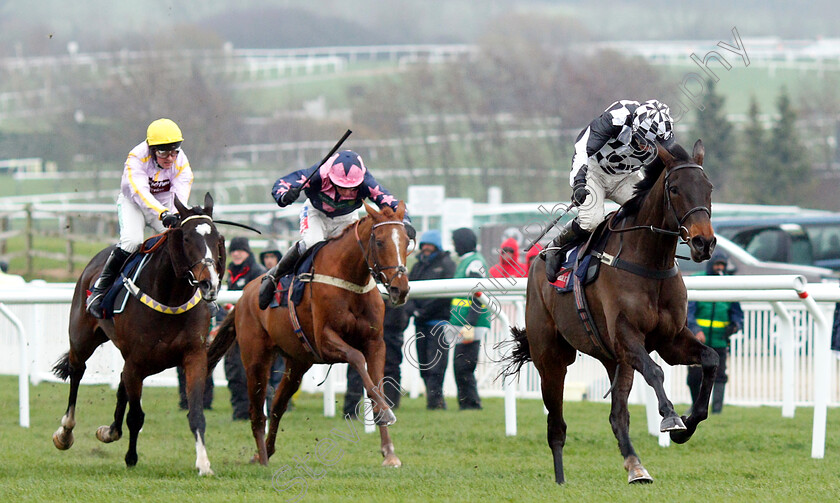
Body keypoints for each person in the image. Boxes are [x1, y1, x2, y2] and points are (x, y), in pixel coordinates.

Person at [258, 150, 414, 310]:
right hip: (316, 214)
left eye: (351, 187)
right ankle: (274, 275)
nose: (346, 191)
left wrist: (406, 223)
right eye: (341, 186)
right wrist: (284, 196)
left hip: (346, 218)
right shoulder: (319, 173)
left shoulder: (366, 181)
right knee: (313, 243)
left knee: (356, 252)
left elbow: (390, 201)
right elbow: (283, 183)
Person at [544, 100, 676, 282]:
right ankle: (557, 246)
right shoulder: (617, 118)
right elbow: (582, 148)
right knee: (592, 222)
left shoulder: (664, 136)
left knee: (651, 212)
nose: (648, 148)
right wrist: (579, 183)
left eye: (653, 144)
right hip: (594, 171)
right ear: (635, 128)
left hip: (625, 176)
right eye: (644, 142)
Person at [86, 118, 193, 318]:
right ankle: (100, 289)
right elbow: (140, 192)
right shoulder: (136, 157)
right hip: (133, 203)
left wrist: (176, 214)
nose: (170, 158)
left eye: (174, 151)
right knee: (132, 241)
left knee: (180, 240)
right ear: (151, 149)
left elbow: (180, 191)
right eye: (163, 152)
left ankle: (199, 294)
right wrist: (163, 214)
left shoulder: (180, 160)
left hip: (164, 205)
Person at [686, 250, 744, 414]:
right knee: (695, 376)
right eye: (717, 265)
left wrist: (734, 326)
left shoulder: (729, 283)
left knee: (719, 375)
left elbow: (737, 314)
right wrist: (695, 329)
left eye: (722, 265)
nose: (719, 268)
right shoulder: (697, 280)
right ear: (710, 265)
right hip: (698, 341)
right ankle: (697, 406)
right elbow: (688, 311)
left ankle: (717, 410)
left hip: (720, 340)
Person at [405, 229, 456, 409]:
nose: (426, 248)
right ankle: (433, 402)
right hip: (420, 323)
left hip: (439, 324)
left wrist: (422, 311)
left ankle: (436, 402)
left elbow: (445, 295)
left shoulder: (447, 264)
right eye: (424, 244)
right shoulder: (417, 266)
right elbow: (407, 290)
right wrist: (413, 310)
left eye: (430, 244)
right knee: (424, 366)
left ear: (437, 246)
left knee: (437, 367)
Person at [223, 237, 266, 419]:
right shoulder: (232, 272)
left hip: (254, 331)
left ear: (247, 252)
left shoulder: (257, 272)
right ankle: (240, 412)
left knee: (253, 370)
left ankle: (257, 411)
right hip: (235, 328)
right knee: (234, 370)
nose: (236, 254)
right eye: (233, 251)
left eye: (240, 250)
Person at [343, 303, 410, 419]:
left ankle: (388, 408)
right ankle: (351, 410)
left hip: (389, 322)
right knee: (358, 367)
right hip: (370, 321)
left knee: (388, 365)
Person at [448, 227, 490, 410]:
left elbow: (477, 298)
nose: (454, 245)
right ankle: (468, 404)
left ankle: (471, 405)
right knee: (461, 364)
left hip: (471, 324)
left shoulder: (474, 263)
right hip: (467, 324)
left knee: (463, 365)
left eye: (455, 241)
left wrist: (469, 325)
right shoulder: (467, 262)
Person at [258, 242, 288, 412]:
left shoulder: (286, 277)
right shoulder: (259, 278)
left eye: (272, 257)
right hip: (264, 330)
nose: (269, 261)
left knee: (280, 372)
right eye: (266, 257)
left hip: (281, 330)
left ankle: (282, 404)